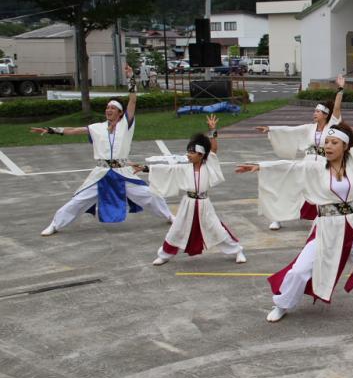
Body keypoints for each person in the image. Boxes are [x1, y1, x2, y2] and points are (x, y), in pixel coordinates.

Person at [236, 86, 353, 323]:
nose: (328, 146)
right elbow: (290, 167)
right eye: (327, 142)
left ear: (345, 147)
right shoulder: (315, 166)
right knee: (299, 270)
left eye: (334, 142)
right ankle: (282, 304)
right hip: (326, 227)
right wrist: (261, 167)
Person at [33, 65, 173, 236]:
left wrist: (131, 78)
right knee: (78, 200)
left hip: (122, 172)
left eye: (112, 108)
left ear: (120, 113)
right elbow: (74, 130)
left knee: (149, 195)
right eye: (107, 108)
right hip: (101, 172)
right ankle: (55, 224)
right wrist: (51, 130)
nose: (108, 110)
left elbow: (133, 101)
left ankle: (169, 216)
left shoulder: (125, 126)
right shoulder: (97, 127)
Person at [132, 115, 246, 266]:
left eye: (192, 153)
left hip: (205, 203)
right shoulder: (184, 167)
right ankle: (164, 255)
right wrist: (145, 168)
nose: (188, 155)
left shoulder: (209, 165)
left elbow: (213, 150)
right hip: (188, 203)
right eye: (188, 152)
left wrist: (212, 130)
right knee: (177, 229)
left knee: (216, 228)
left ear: (201, 155)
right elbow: (167, 170)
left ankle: (237, 251)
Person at [255, 75, 345, 230]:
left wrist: (340, 89)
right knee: (293, 188)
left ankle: (328, 217)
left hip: (324, 164)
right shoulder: (308, 128)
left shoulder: (332, 126)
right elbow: (290, 130)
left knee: (324, 190)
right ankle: (277, 217)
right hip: (307, 162)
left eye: (318, 111)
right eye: (314, 111)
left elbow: (336, 108)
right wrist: (271, 129)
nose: (314, 113)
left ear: (325, 114)